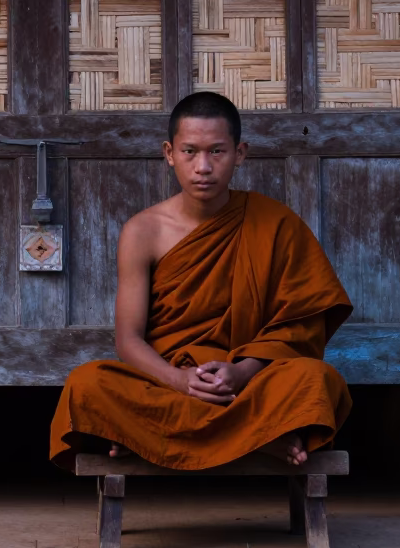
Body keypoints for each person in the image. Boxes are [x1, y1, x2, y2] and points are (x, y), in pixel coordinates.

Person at [49, 92, 353, 470]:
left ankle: (150, 438)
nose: (203, 167)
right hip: (170, 380)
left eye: (217, 152)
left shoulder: (275, 223)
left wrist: (242, 371)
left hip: (248, 383)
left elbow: (301, 326)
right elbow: (128, 339)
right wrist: (179, 380)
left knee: (316, 379)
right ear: (169, 153)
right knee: (88, 382)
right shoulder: (143, 231)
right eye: (190, 151)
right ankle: (261, 438)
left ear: (240, 153)